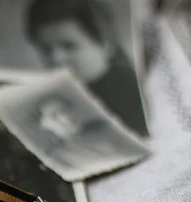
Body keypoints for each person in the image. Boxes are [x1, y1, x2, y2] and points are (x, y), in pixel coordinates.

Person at [26, 0, 148, 135]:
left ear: (105, 44)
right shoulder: (54, 95)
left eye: (69, 46)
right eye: (46, 49)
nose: (55, 58)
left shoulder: (138, 96)